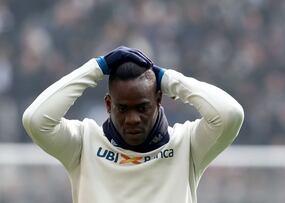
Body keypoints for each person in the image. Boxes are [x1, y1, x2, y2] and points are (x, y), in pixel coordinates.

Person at [22, 46, 244, 203]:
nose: (133, 119)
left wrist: (167, 78)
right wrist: (97, 68)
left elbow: (230, 114)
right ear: (108, 105)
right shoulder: (83, 144)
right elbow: (36, 119)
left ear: (159, 99)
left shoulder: (187, 144)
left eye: (142, 107)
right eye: (123, 109)